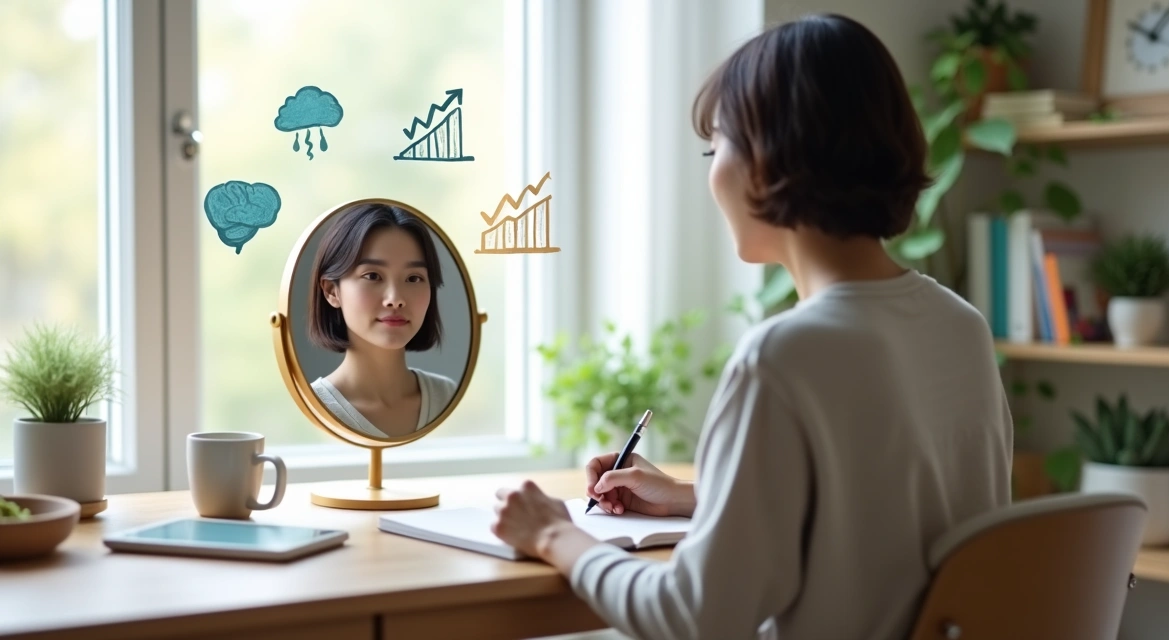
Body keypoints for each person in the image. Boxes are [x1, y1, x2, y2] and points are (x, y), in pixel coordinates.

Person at [488, 13, 1014, 640]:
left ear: (766, 162)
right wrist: (700, 496)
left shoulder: (784, 355)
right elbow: (881, 527)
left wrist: (554, 533)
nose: (712, 174)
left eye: (717, 149)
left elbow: (691, 618)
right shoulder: (960, 326)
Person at [307, 202, 459, 439]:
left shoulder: (447, 396)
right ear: (331, 291)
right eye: (373, 276)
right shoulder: (312, 409)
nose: (395, 299)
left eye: (413, 278)